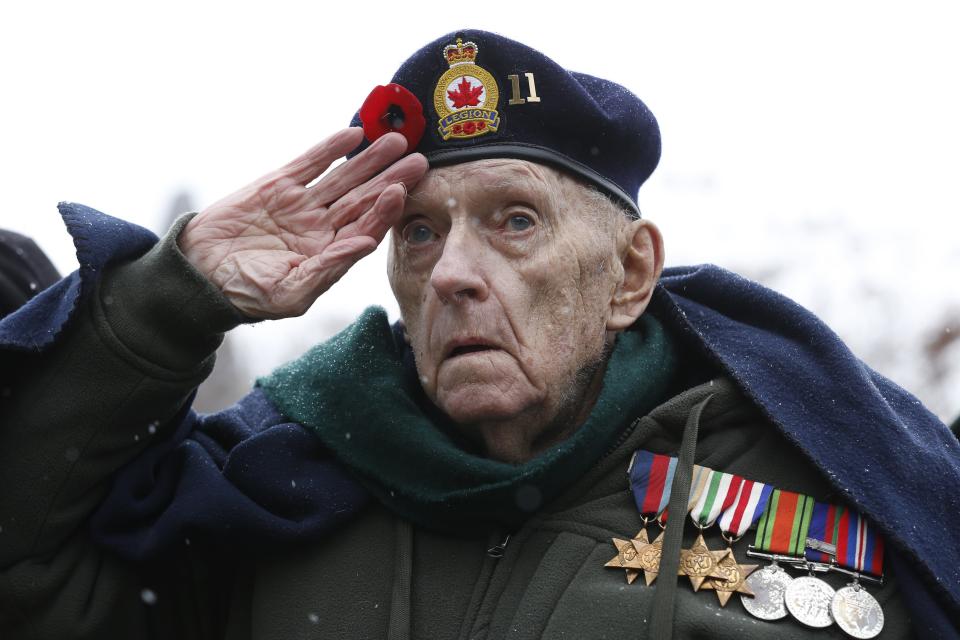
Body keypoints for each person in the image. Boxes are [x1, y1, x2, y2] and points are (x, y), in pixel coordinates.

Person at [1, 29, 958, 640]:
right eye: (418, 231)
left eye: (515, 221)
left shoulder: (835, 477)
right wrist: (176, 300)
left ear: (627, 274)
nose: (453, 272)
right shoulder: (279, 492)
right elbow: (24, 575)